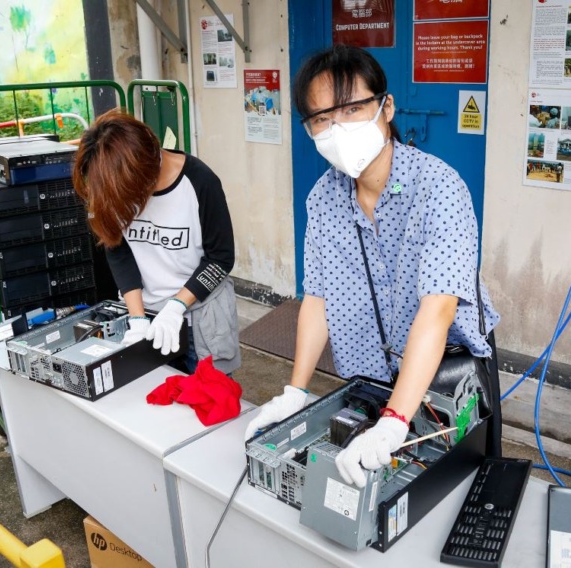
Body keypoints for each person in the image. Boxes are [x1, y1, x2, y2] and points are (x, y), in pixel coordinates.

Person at [243, 45, 500, 488]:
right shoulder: (324, 198)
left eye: (351, 109)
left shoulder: (439, 188)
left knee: (462, 481)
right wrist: (296, 391)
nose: (336, 127)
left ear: (386, 107)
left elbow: (437, 311)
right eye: (321, 118)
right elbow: (317, 300)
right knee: (384, 487)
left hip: (447, 370)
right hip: (371, 375)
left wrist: (397, 418)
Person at [72, 109, 241, 376]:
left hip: (202, 314)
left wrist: (175, 307)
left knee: (210, 402)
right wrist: (137, 318)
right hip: (147, 313)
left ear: (146, 167)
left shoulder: (199, 182)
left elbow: (221, 259)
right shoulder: (112, 186)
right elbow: (118, 250)